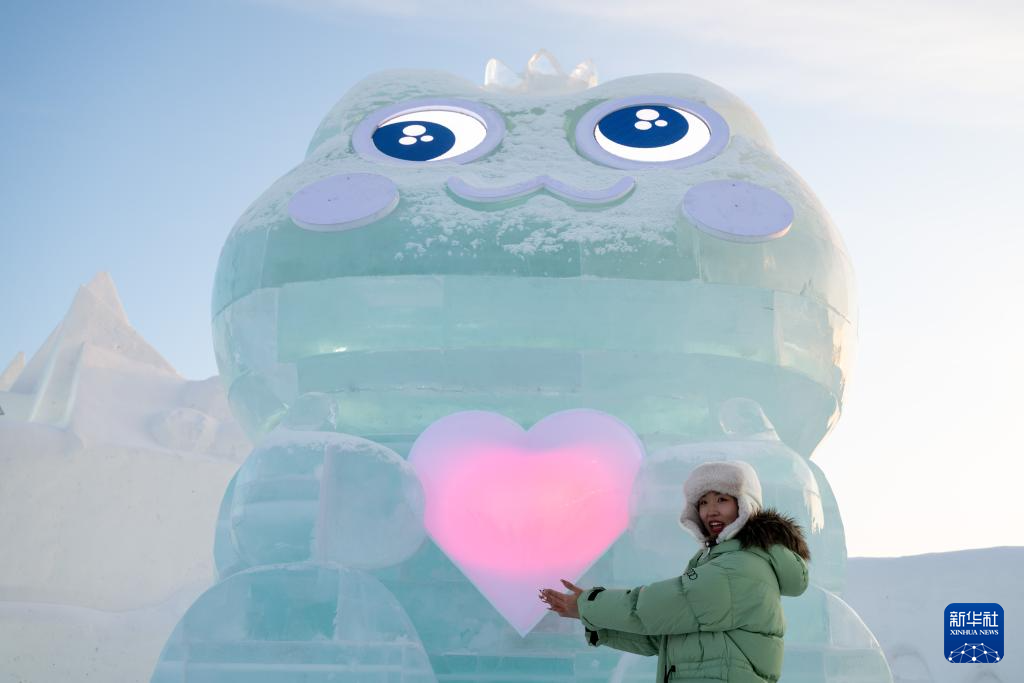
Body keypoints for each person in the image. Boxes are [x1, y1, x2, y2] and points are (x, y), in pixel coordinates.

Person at [539, 460, 810, 683]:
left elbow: (657, 608)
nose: (710, 511)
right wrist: (597, 625)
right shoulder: (721, 562)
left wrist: (589, 603)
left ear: (745, 504)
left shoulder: (740, 567)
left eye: (722, 499)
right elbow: (667, 637)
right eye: (702, 502)